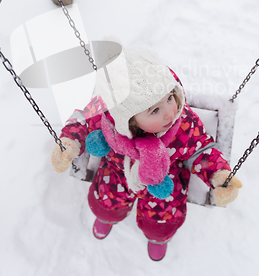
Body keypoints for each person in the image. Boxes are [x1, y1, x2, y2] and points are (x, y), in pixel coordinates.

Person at [51, 47, 242, 261]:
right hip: (117, 172)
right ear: (128, 117)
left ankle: (158, 237)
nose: (170, 111)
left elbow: (200, 149)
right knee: (106, 203)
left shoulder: (181, 122)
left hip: (164, 179)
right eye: (154, 110)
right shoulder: (109, 113)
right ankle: (109, 216)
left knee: (161, 222)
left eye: (170, 98)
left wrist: (219, 175)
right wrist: (69, 142)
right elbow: (83, 120)